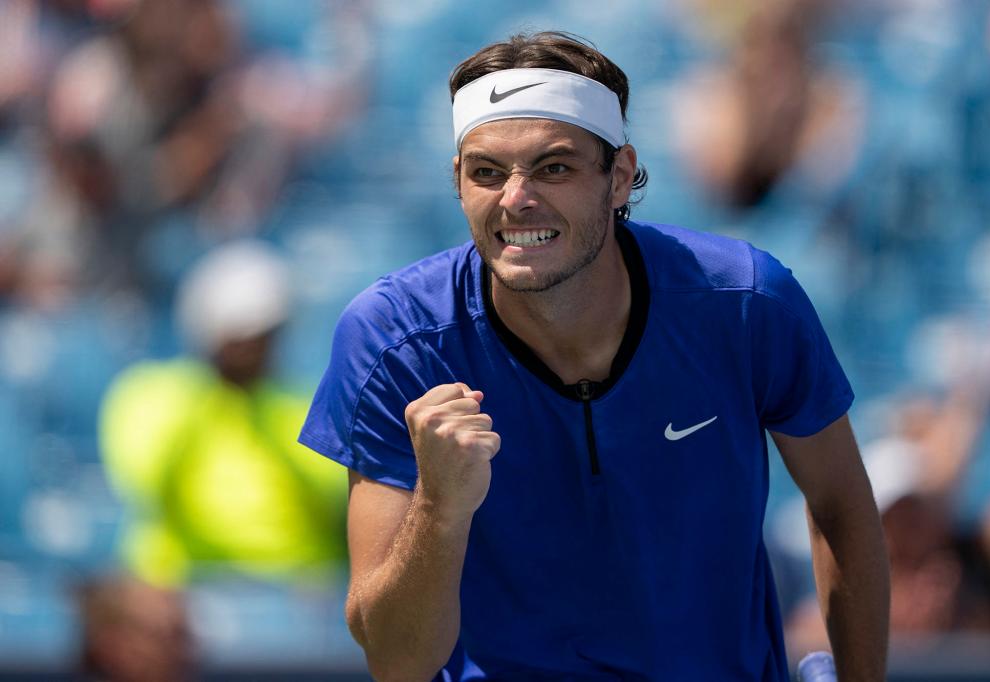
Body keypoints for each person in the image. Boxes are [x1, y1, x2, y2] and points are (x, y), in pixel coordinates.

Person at [300, 31, 889, 681]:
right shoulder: (389, 339)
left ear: (621, 176)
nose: (515, 198)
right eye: (486, 172)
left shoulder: (748, 303)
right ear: (458, 182)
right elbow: (396, 661)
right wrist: (440, 506)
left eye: (554, 167)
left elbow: (841, 505)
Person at [100, 240, 348, 588]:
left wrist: (258, 412)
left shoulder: (303, 405)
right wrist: (211, 384)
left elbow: (334, 498)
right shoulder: (149, 392)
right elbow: (147, 484)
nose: (251, 348)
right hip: (181, 587)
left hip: (295, 595)